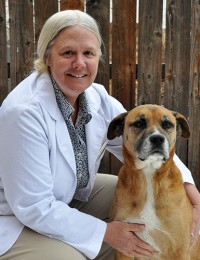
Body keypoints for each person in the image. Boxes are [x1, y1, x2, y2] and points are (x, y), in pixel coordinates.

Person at [0, 10, 199, 260]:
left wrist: (191, 193)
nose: (79, 63)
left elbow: (139, 144)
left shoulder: (95, 96)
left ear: (98, 58)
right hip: (16, 218)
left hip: (67, 196)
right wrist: (107, 232)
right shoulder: (23, 112)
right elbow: (33, 207)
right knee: (72, 257)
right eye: (68, 52)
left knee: (137, 193)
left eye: (88, 53)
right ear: (47, 57)